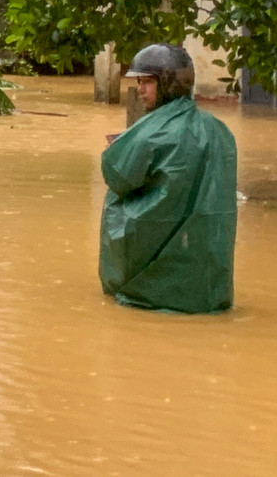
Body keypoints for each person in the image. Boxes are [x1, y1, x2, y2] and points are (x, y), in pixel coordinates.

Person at [98, 43, 238, 313]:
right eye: (140, 81)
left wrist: (115, 150)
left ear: (169, 83)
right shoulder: (220, 130)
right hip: (208, 284)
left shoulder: (152, 131)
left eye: (148, 82)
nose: (141, 89)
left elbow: (117, 176)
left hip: (154, 289)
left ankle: (145, 288)